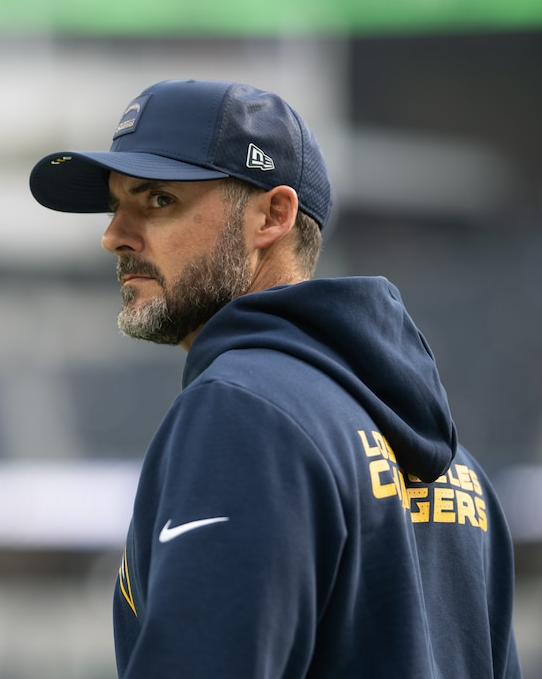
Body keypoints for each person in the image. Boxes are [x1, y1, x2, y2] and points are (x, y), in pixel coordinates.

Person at [29, 79, 522, 678]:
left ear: (273, 215)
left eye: (158, 200)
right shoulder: (457, 467)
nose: (114, 237)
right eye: (116, 207)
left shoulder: (241, 411)